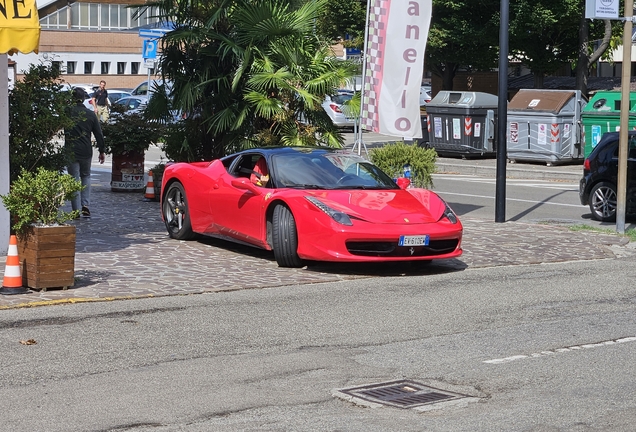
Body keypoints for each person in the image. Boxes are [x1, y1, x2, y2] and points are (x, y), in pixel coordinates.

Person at [66, 88, 106, 218]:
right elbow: (98, 134)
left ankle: (75, 210)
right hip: (86, 150)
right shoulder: (90, 114)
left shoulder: (67, 113)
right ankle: (85, 205)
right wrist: (102, 150)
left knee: (74, 179)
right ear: (84, 98)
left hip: (71, 150)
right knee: (86, 176)